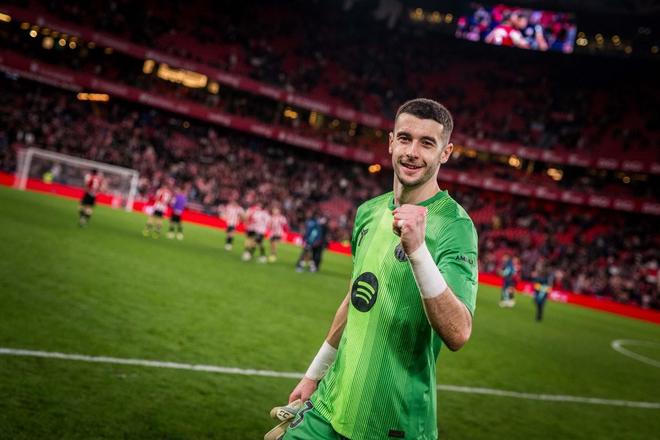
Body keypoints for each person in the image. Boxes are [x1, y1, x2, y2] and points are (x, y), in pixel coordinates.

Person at [283, 98, 478, 440]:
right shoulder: (368, 212)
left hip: (392, 423)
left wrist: (417, 251)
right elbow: (356, 297)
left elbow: (458, 332)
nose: (412, 152)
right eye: (405, 138)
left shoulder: (455, 226)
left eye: (427, 143)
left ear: (445, 153)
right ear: (390, 143)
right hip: (329, 404)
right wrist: (314, 373)